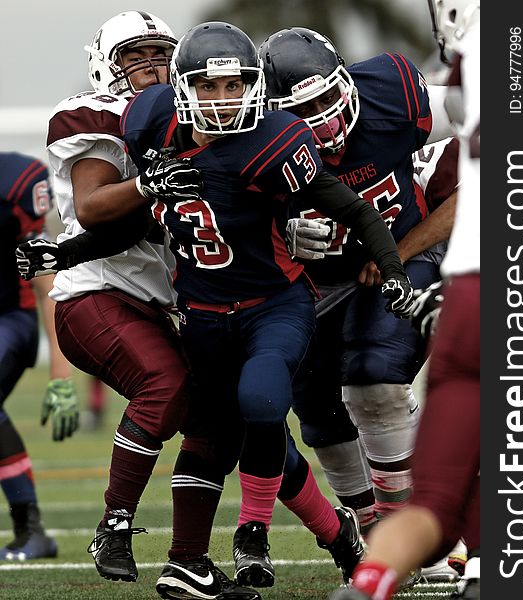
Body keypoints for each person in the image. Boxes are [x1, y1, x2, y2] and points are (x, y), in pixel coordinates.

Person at [18, 20, 415, 597]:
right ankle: (139, 533)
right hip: (163, 305)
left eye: (233, 87)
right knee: (196, 407)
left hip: (232, 303)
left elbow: (344, 206)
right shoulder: (141, 124)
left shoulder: (271, 137)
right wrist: (68, 245)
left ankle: (253, 542)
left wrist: (324, 237)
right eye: (207, 87)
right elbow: (111, 220)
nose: (221, 100)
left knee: (248, 419)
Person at [14, 13, 261, 599]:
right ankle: (114, 524)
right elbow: (98, 209)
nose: (151, 64)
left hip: (164, 304)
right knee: (167, 384)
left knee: (217, 421)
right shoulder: (95, 115)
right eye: (136, 54)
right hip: (96, 290)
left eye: (160, 52)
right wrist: (152, 183)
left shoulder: (197, 117)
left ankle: (189, 565)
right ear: (107, 62)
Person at [258, 26, 456, 540]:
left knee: (374, 376)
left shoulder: (393, 99)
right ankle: (369, 534)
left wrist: (403, 250)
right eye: (303, 111)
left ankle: (408, 528)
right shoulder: (255, 142)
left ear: (347, 81)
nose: (322, 120)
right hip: (314, 284)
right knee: (318, 412)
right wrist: (277, 232)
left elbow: (498, 145)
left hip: (397, 259)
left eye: (327, 97)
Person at [328, 1, 480, 598]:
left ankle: (367, 583)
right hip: (497, 285)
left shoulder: (419, 91)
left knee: (434, 501)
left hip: (465, 291)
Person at [0, 151, 79, 561]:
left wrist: (60, 376)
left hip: (10, 318)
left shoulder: (15, 182)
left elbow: (45, 281)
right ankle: (30, 531)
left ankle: (31, 530)